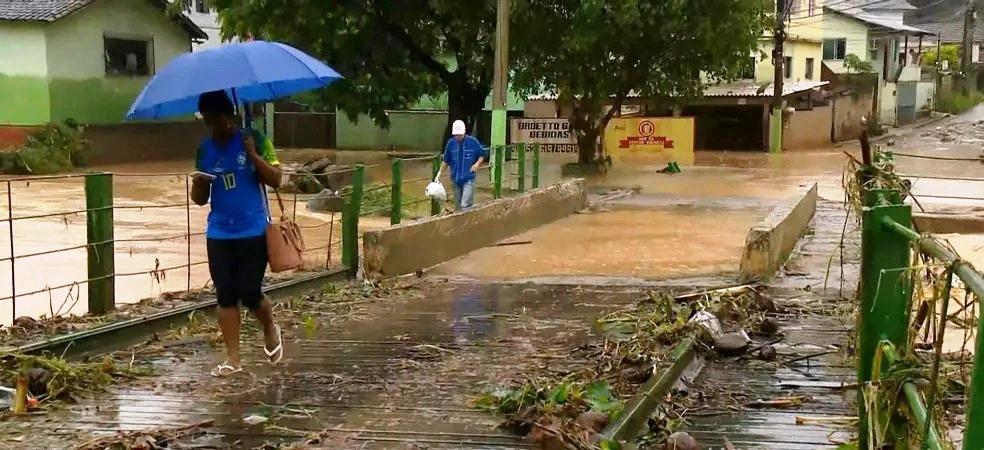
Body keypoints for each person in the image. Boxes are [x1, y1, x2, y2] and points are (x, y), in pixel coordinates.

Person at [190, 90, 284, 378]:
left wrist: (253, 155)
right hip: (219, 232)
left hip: (253, 228)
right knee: (226, 295)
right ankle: (233, 358)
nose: (220, 127)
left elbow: (277, 180)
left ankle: (269, 326)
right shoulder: (204, 151)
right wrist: (200, 183)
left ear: (231, 115)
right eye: (212, 122)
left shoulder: (254, 138)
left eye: (223, 119)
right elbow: (198, 199)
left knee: (250, 292)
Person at [441, 120, 486, 210]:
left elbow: (482, 154)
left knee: (465, 204)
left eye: (460, 135)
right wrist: (440, 173)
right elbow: (446, 160)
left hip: (468, 178)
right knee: (458, 206)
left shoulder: (472, 142)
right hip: (456, 179)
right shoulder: (451, 143)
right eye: (456, 135)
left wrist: (477, 164)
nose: (458, 137)